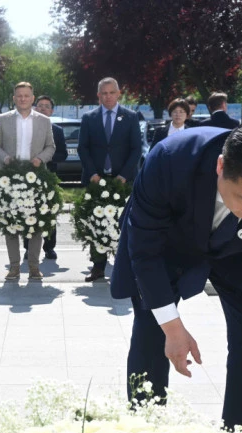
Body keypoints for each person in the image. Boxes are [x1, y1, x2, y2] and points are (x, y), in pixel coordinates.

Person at [110, 121, 242, 429]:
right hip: (168, 244)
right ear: (221, 166)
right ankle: (144, 429)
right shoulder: (171, 159)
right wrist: (173, 328)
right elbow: (145, 251)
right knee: (152, 326)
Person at [0, 82, 55, 281]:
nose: (23, 99)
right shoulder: (3, 119)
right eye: (19, 96)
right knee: (11, 224)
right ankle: (14, 267)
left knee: (36, 225)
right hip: (9, 177)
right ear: (14, 98)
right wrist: (6, 159)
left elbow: (51, 147)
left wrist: (40, 158)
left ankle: (34, 267)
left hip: (36, 177)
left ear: (32, 98)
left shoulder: (44, 121)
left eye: (26, 95)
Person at [78, 77, 141, 282]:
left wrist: (123, 175)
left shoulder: (130, 117)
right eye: (104, 93)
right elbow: (83, 148)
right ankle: (98, 267)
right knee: (97, 222)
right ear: (98, 95)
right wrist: (92, 174)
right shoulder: (89, 118)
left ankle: (126, 267)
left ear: (118, 93)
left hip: (123, 180)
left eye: (111, 92)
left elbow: (136, 149)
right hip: (96, 179)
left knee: (123, 224)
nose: (108, 96)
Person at [23, 94, 68, 260]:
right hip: (28, 177)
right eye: (40, 105)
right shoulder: (25, 128)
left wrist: (44, 157)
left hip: (49, 177)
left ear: (51, 111)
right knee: (28, 213)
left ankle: (49, 248)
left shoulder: (57, 130)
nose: (43, 108)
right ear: (35, 108)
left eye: (47, 106)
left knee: (49, 213)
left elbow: (63, 154)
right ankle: (28, 248)